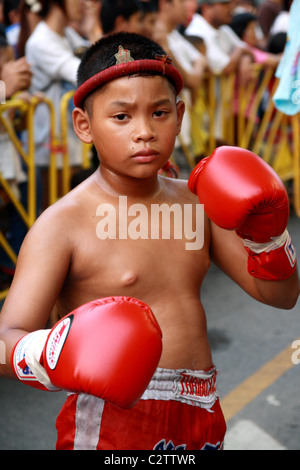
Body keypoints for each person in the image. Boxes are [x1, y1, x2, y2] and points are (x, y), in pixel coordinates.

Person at [0, 32, 299, 451]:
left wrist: (268, 235)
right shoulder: (62, 225)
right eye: (121, 117)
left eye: (159, 113)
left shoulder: (197, 203)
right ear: (84, 125)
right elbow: (5, 338)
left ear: (179, 116)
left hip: (203, 411)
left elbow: (282, 295)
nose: (144, 131)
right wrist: (55, 351)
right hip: (114, 421)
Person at [24, 0, 95, 211]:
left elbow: (102, 61)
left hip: (73, 145)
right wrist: (94, 32)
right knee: (55, 216)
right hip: (49, 150)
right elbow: (87, 73)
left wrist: (91, 31)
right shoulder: (40, 41)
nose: (83, 3)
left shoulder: (68, 35)